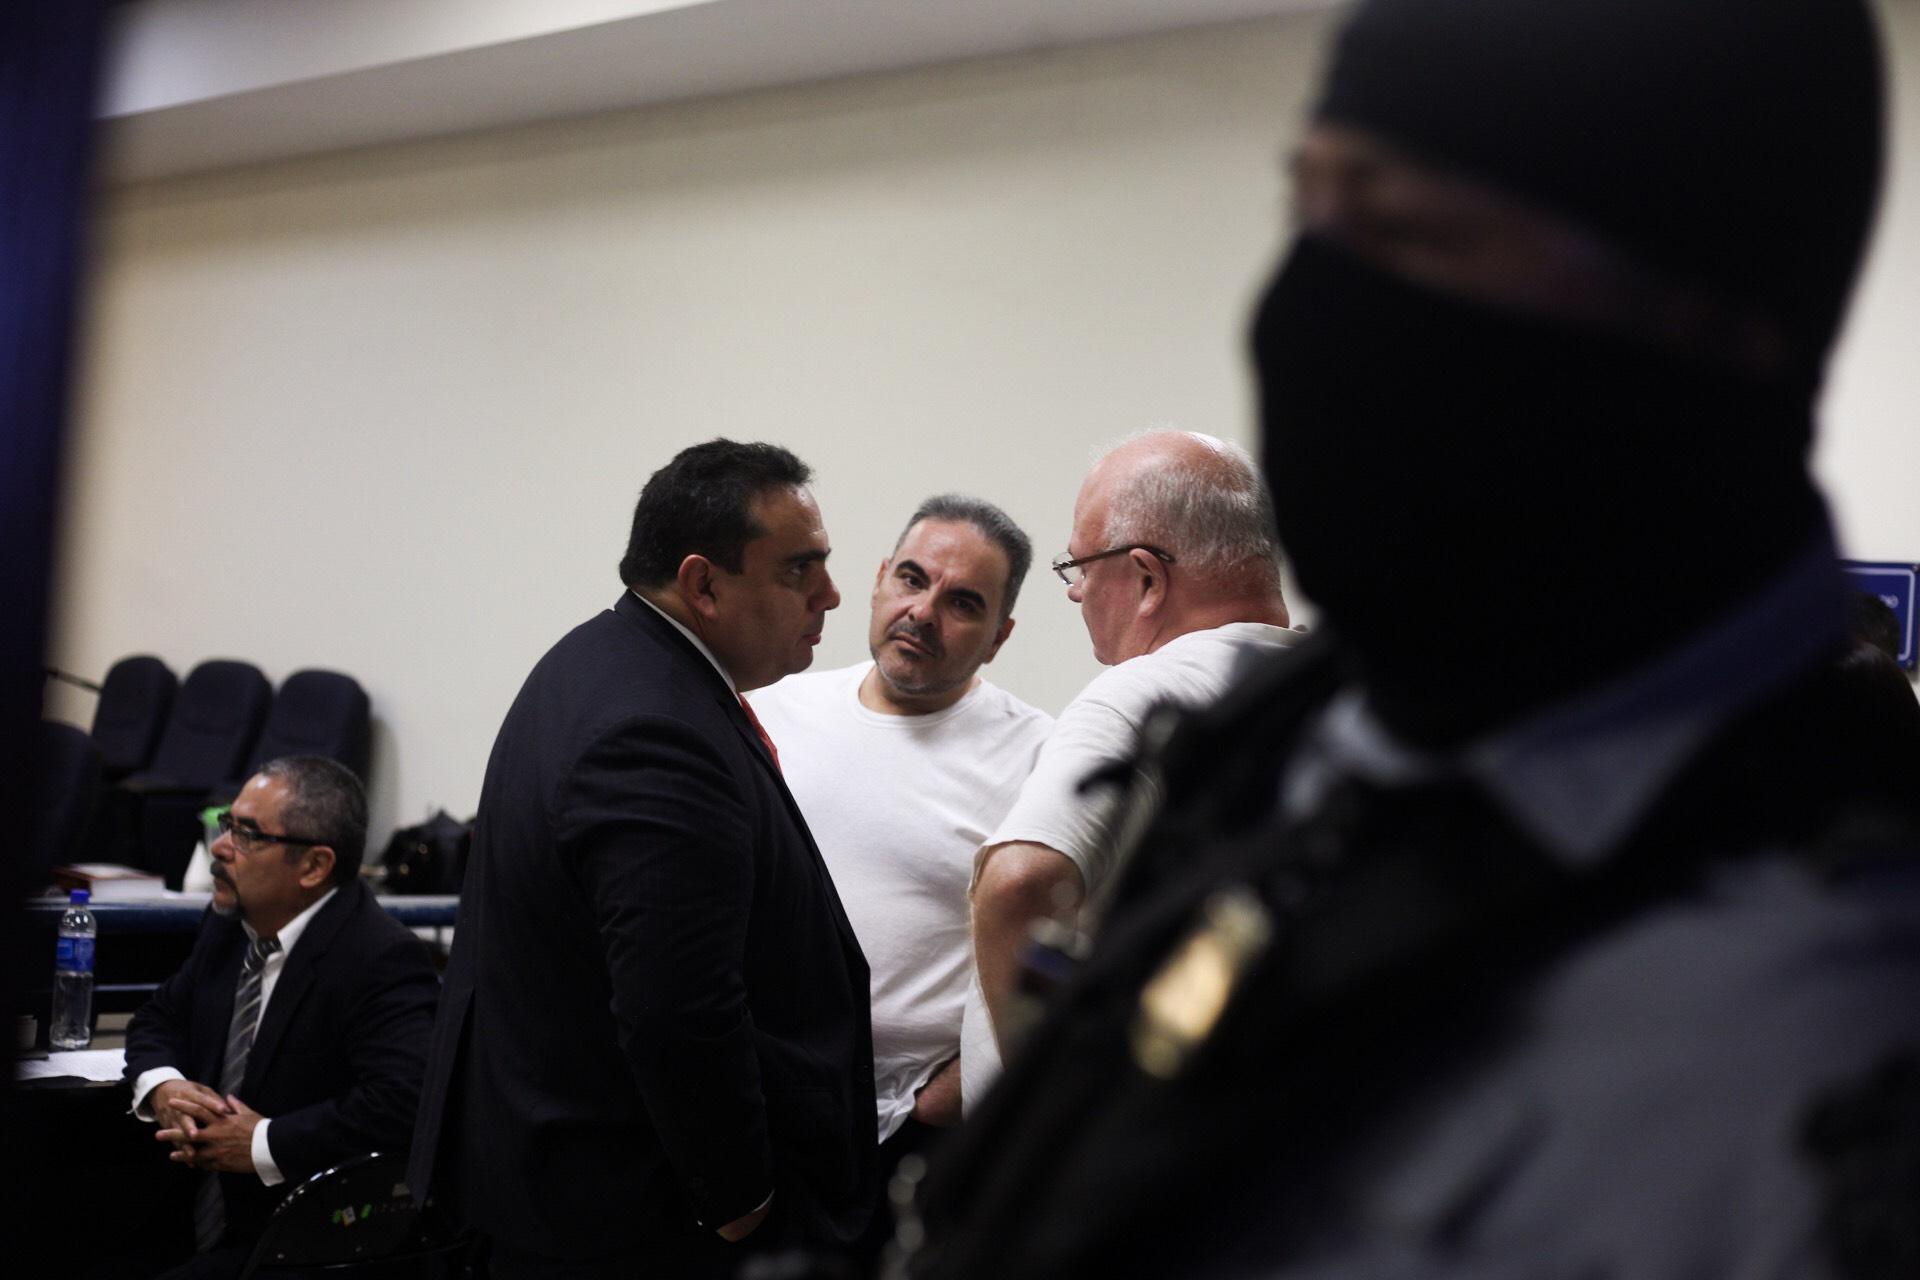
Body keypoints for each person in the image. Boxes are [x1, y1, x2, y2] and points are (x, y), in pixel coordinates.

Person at [909, 2, 1920, 1278]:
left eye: (1410, 232)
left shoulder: (1833, 1002)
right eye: (1313, 214)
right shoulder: (1302, 738)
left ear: (1699, 318)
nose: (1308, 305)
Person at [408, 439, 876, 1278]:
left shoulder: (600, 662)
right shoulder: (653, 726)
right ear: (703, 584)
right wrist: (741, 1197)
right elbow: (676, 1004)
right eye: (799, 570)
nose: (832, 595)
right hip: (635, 1217)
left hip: (569, 1186)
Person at [747, 495, 1052, 1248]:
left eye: (963, 603)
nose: (923, 611)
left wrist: (945, 1097)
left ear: (999, 636)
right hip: (760, 1111)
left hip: (906, 1140)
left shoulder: (1040, 757)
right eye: (912, 579)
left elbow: (1068, 950)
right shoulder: (770, 710)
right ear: (880, 578)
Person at [963, 429, 1301, 1100]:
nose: (1074, 593)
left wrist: (1045, 1112)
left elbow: (1019, 885)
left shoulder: (1141, 696)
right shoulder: (1324, 693)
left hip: (1094, 1166)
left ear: (1146, 578)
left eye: (1080, 568)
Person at [120, 756, 437, 1280]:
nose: (219, 848)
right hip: (184, 1212)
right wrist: (164, 1086)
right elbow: (160, 1016)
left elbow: (403, 1103)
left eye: (248, 835)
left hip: (304, 1241)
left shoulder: (380, 957)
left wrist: (264, 1142)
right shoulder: (229, 923)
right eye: (227, 824)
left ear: (314, 866)